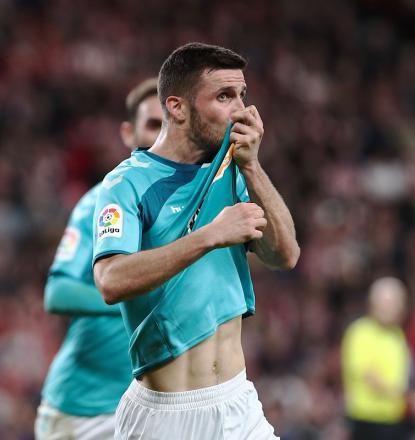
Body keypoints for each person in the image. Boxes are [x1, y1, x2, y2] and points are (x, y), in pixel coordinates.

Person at [92, 42, 300, 439]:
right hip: (165, 418)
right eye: (224, 96)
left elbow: (285, 254)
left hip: (238, 404)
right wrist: (211, 235)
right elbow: (111, 280)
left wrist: (252, 167)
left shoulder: (233, 170)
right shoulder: (127, 183)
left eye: (242, 95)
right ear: (177, 107)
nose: (241, 110)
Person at [34, 78, 163, 440]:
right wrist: (137, 303)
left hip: (152, 405)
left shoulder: (191, 204)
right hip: (87, 411)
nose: (161, 136)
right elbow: (58, 293)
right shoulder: (102, 202)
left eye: (170, 125)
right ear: (128, 134)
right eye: (152, 125)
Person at [341, 277, 411, 440]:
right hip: (366, 421)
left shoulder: (397, 335)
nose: (391, 308)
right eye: (386, 302)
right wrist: (405, 395)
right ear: (372, 303)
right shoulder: (359, 332)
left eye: (395, 302)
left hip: (393, 420)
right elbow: (368, 377)